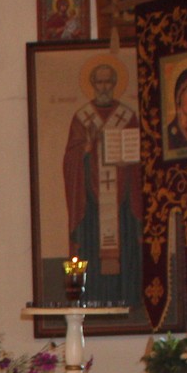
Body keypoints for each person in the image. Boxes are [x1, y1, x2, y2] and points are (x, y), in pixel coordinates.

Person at [62, 60, 142, 303]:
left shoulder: (127, 116)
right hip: (92, 205)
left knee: (126, 248)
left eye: (109, 82)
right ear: (93, 84)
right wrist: (86, 149)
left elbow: (141, 156)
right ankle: (93, 298)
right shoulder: (82, 118)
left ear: (115, 84)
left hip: (123, 203)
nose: (104, 86)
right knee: (91, 249)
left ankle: (127, 299)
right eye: (100, 82)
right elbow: (70, 161)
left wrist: (130, 164)